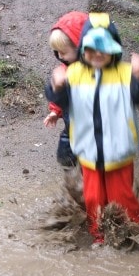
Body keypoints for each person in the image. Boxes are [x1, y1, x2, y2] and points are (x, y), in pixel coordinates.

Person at [45, 12, 139, 244]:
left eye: (103, 49)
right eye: (91, 49)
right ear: (82, 50)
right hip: (88, 152)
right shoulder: (73, 74)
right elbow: (65, 103)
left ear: (114, 50)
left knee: (122, 197)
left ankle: (132, 234)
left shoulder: (125, 74)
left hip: (119, 152)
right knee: (94, 198)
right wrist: (56, 88)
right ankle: (98, 237)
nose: (97, 54)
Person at [43, 11, 88, 167]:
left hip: (91, 128)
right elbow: (62, 97)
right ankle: (69, 169)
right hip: (71, 125)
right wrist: (55, 111)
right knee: (65, 153)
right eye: (57, 52)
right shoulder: (65, 70)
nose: (60, 56)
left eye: (64, 52)